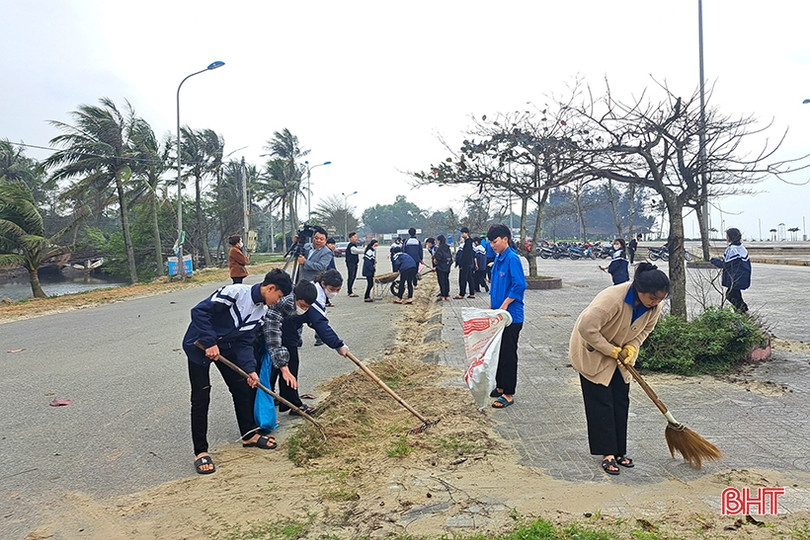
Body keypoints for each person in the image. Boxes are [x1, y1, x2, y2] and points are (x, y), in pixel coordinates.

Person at [182, 268, 293, 475]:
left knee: (242, 387)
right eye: (278, 297)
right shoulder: (235, 293)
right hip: (198, 345)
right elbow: (199, 311)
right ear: (270, 288)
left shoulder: (261, 312)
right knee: (201, 396)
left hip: (227, 347)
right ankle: (200, 451)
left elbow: (245, 341)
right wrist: (209, 342)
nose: (278, 302)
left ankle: (249, 434)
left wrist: (250, 370)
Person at [569, 262, 671, 476]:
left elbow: (645, 331)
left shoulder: (654, 306)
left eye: (660, 299)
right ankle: (607, 453)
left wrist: (632, 348)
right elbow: (586, 328)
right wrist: (610, 350)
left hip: (621, 354)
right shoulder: (612, 299)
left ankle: (619, 451)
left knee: (620, 400)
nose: (656, 303)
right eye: (653, 298)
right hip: (593, 350)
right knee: (601, 402)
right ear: (640, 291)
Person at [263, 280, 349, 416]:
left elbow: (319, 324)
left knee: (279, 367)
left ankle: (282, 399)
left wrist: (337, 345)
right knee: (285, 367)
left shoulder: (309, 299)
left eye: (307, 307)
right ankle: (295, 405)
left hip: (288, 333)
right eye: (302, 306)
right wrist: (338, 345)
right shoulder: (282, 300)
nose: (304, 309)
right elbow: (322, 327)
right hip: (274, 334)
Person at [486, 224, 527, 409]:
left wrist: (504, 305)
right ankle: (501, 386)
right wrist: (492, 306)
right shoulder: (498, 259)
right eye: (491, 242)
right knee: (499, 352)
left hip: (511, 317)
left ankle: (509, 394)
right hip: (499, 315)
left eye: (495, 242)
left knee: (508, 354)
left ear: (505, 239)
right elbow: (494, 286)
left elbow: (519, 285)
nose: (492, 245)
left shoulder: (512, 259)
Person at [711, 227, 751, 313]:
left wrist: (713, 260)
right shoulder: (741, 248)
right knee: (736, 295)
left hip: (734, 278)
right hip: (742, 277)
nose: (726, 237)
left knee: (730, 295)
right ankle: (741, 313)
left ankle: (743, 313)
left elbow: (726, 265)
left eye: (727, 236)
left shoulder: (732, 249)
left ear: (730, 237)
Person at [312, 269, 342, 345]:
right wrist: (338, 345)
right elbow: (319, 321)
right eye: (331, 289)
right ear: (323, 284)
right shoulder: (317, 296)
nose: (335, 292)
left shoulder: (317, 287)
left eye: (338, 290)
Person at [454, 227, 476, 299]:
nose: (462, 234)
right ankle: (472, 293)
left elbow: (465, 255)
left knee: (462, 279)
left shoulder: (467, 243)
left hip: (466, 264)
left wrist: (461, 264)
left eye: (463, 233)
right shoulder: (470, 242)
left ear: (467, 233)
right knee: (470, 278)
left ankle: (461, 294)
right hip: (470, 263)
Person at [433, 234, 452, 301]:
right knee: (446, 280)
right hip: (447, 267)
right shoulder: (447, 247)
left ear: (439, 241)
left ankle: (443, 296)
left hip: (441, 267)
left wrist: (435, 262)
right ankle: (447, 295)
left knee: (441, 281)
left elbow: (437, 258)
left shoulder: (440, 248)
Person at [345, 232, 363, 297]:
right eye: (355, 237)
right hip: (350, 263)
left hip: (355, 263)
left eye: (356, 237)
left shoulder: (354, 245)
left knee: (353, 276)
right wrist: (366, 250)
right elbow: (356, 251)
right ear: (351, 238)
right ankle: (349, 291)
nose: (356, 238)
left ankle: (350, 290)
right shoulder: (351, 246)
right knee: (351, 276)